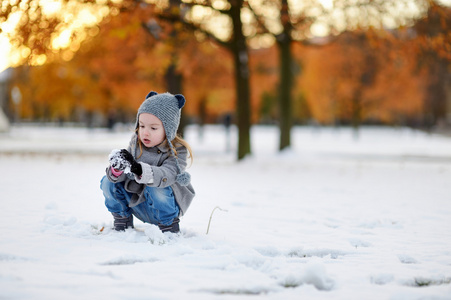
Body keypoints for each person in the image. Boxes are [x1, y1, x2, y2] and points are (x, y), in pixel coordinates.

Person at [100, 91, 195, 233]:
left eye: (153, 128)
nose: (145, 132)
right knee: (107, 181)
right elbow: (125, 174)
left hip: (164, 207)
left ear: (168, 129)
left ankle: (169, 225)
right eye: (142, 126)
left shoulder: (177, 151)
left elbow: (167, 174)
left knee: (156, 183)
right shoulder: (136, 144)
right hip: (139, 204)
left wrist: (138, 169)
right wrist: (118, 169)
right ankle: (122, 219)